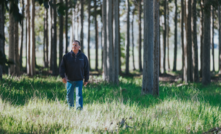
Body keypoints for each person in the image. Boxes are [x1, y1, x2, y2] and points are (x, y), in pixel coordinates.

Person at [59, 40, 89, 110]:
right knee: (69, 95)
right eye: (73, 45)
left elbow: (86, 69)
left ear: (79, 47)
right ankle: (70, 108)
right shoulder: (66, 56)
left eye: (75, 45)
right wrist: (63, 77)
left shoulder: (83, 57)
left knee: (79, 95)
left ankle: (79, 109)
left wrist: (86, 79)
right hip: (69, 80)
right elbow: (62, 67)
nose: (74, 46)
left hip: (79, 79)